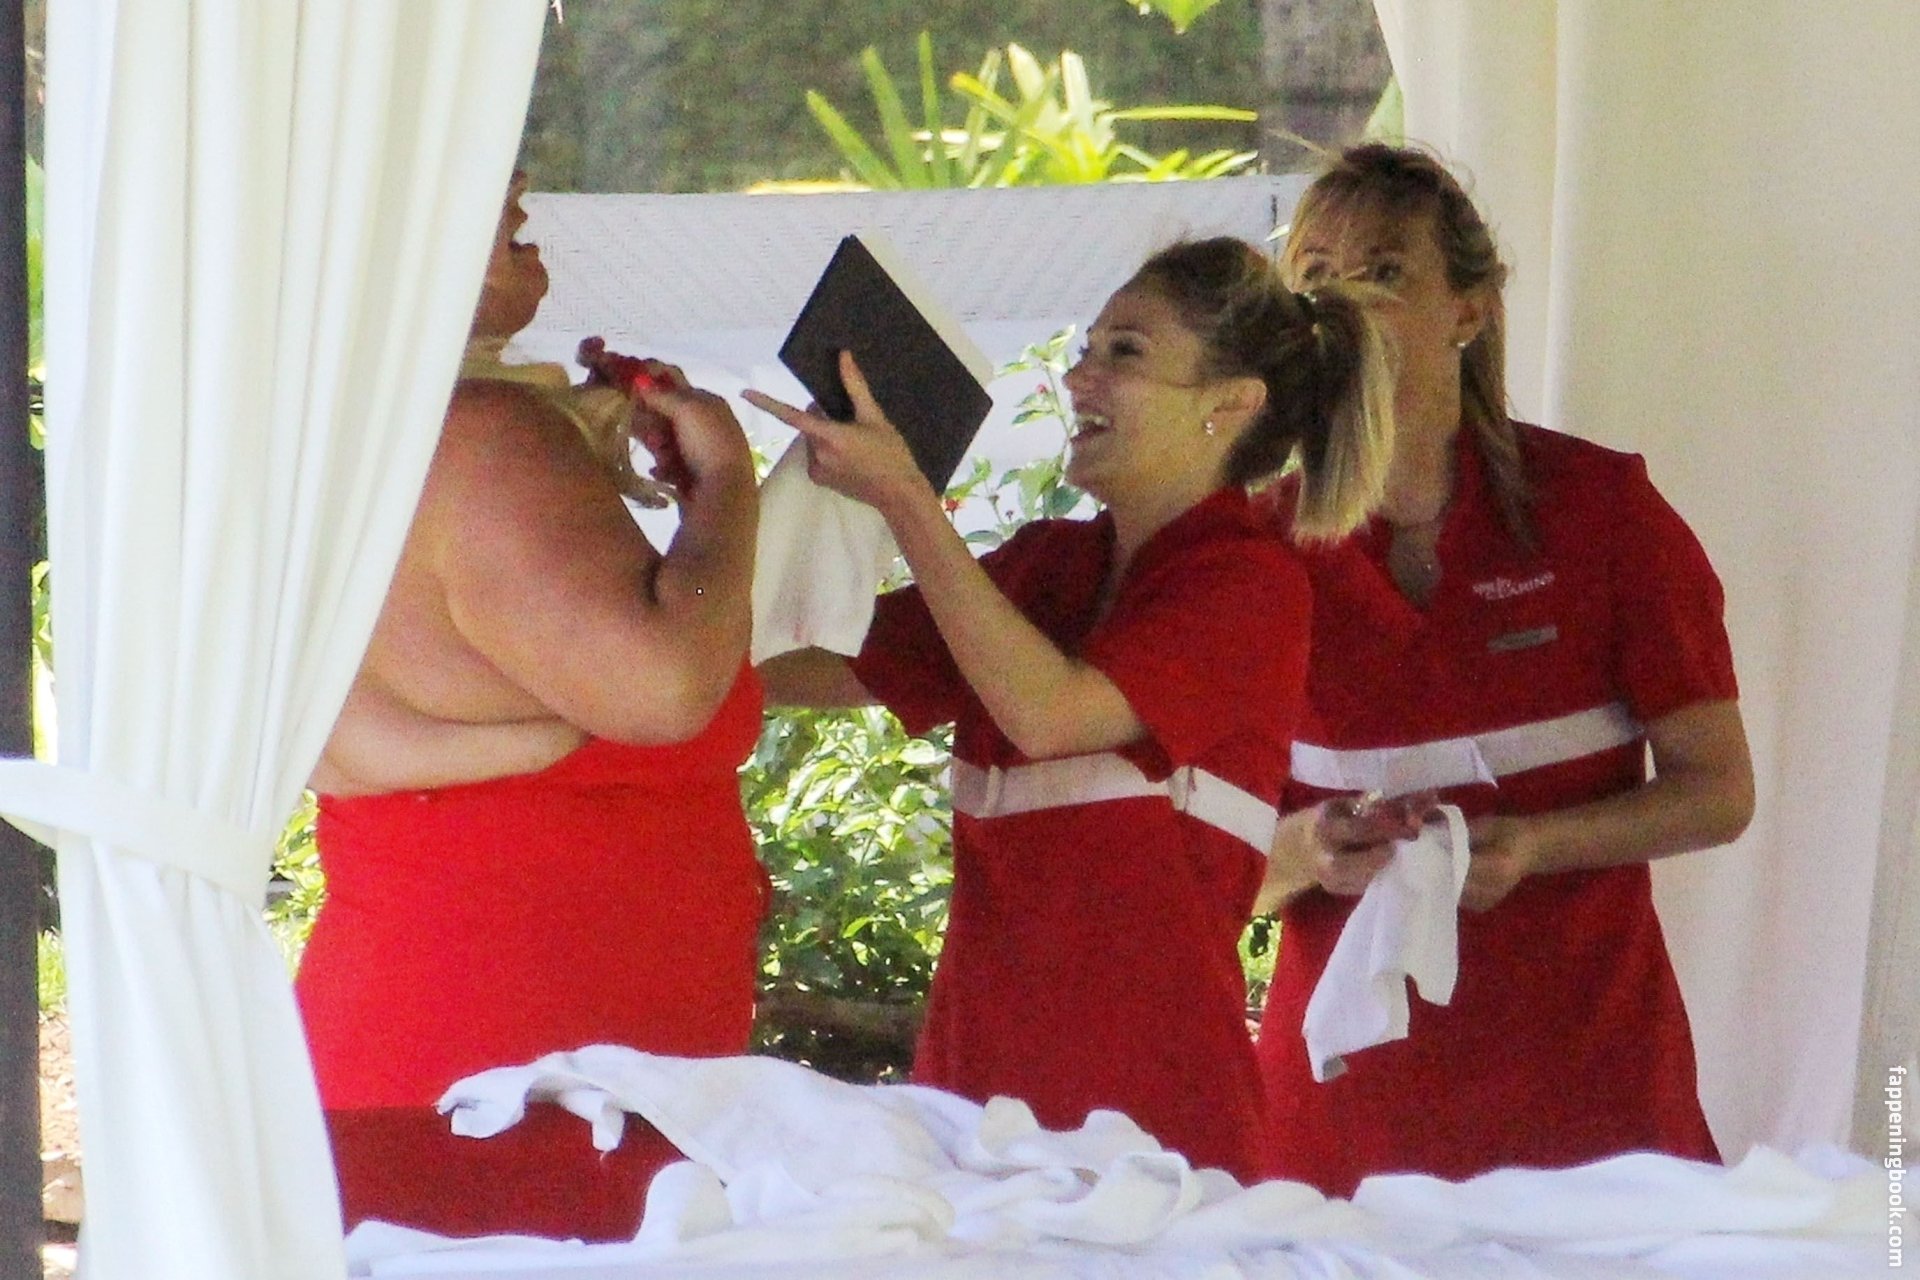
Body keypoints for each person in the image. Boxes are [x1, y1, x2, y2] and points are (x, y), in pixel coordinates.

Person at [750, 237, 1395, 1183]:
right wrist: (713, 517)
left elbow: (1051, 715)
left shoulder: (1249, 585)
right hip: (971, 1104)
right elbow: (796, 664)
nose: (1079, 376)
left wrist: (905, 497)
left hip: (1150, 1123)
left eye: (1124, 353)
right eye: (1086, 349)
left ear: (1231, 403)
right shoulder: (1048, 564)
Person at [1252, 143, 1755, 1195]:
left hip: (1593, 1104)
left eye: (1384, 272)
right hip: (1339, 1131)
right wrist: (1309, 847)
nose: (1343, 303)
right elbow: (1194, 866)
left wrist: (1539, 845)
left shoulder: (1602, 510)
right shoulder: (1251, 552)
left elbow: (1719, 791)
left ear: (1469, 311)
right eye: (1315, 276)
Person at [297, 173, 766, 1126]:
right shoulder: (480, 435)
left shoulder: (344, 429)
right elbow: (666, 688)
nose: (515, 179)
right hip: (509, 1059)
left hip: (503, 1045)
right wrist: (726, 483)